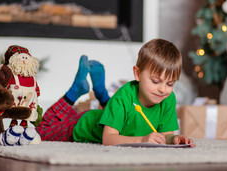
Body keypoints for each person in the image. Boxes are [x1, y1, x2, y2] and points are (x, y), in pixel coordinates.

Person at [36, 38, 194, 146]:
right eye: (155, 81)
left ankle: (102, 95)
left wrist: (174, 138)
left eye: (170, 83)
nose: (162, 89)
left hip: (111, 116)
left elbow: (165, 135)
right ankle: (74, 92)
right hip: (82, 125)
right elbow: (108, 139)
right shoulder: (123, 97)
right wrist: (142, 140)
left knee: (120, 113)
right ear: (137, 74)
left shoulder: (167, 99)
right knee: (39, 132)